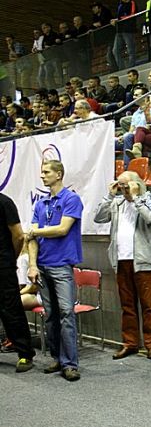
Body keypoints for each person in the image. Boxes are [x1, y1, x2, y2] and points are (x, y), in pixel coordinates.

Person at [94, 171, 151, 360]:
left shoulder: (149, 198)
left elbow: (150, 217)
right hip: (121, 260)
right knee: (127, 305)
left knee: (148, 305)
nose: (123, 189)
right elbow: (99, 218)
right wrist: (109, 195)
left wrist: (136, 197)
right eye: (120, 186)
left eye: (126, 185)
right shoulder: (117, 202)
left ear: (136, 183)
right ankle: (130, 343)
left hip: (143, 261)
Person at [27, 160, 83, 382]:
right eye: (42, 172)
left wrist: (36, 231)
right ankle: (57, 358)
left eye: (46, 172)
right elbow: (31, 240)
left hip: (61, 266)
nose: (42, 176)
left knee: (67, 313)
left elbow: (62, 229)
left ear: (59, 174)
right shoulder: (41, 204)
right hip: (42, 265)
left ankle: (70, 364)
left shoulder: (71, 199)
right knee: (51, 315)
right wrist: (32, 265)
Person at [0, 193, 35, 372]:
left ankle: (25, 354)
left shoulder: (5, 202)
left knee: (11, 309)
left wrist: (9, 258)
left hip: (3, 265)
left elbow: (19, 236)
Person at [112, 0, 138, 70]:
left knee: (130, 49)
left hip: (128, 30)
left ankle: (131, 67)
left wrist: (118, 19)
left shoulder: (132, 3)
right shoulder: (120, 5)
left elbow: (132, 15)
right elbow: (118, 16)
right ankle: (122, 68)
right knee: (115, 50)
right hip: (119, 30)